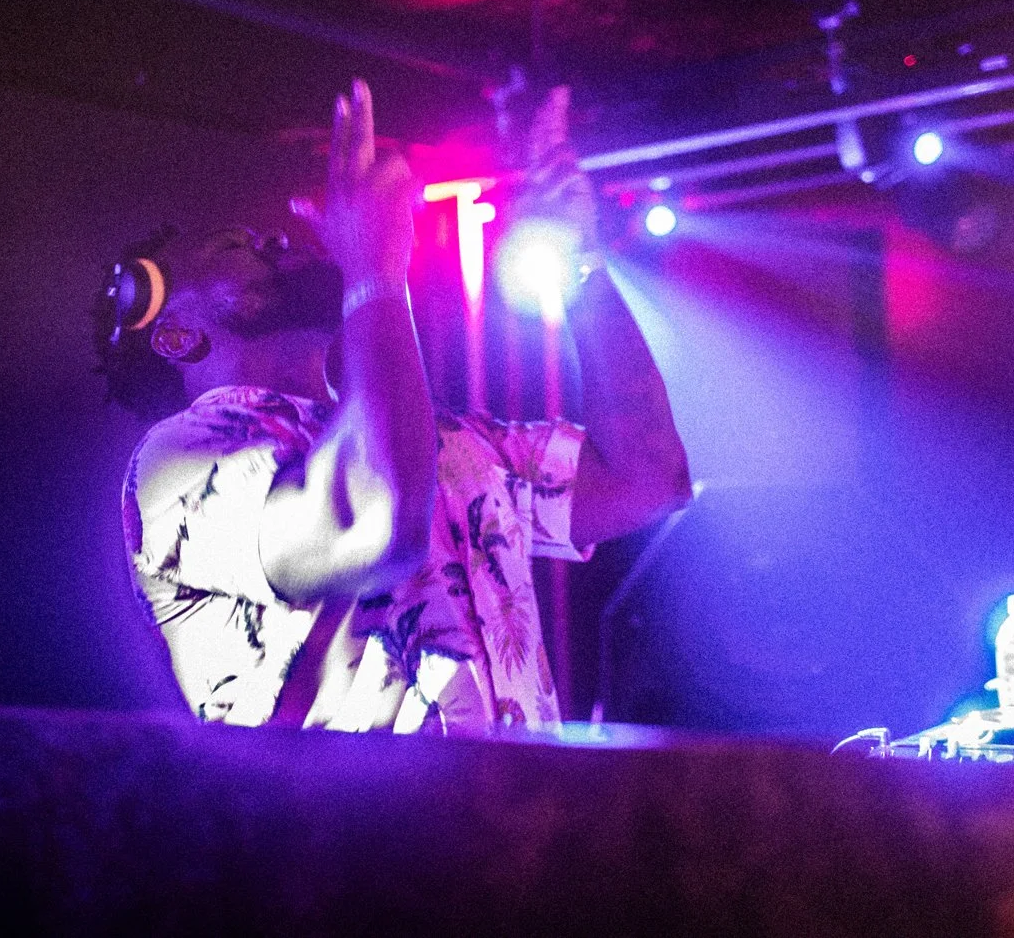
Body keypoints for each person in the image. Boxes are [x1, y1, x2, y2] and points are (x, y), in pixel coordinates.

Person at [95, 79, 690, 736]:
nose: (271, 240)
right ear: (178, 335)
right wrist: (375, 271)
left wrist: (582, 261)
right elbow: (376, 524)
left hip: (512, 830)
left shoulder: (443, 444)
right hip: (353, 839)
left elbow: (649, 477)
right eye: (232, 249)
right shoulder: (174, 462)